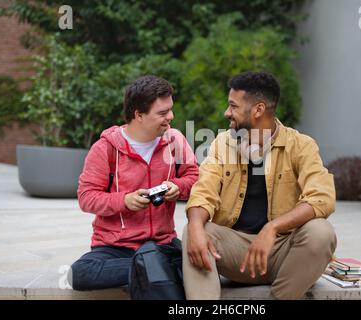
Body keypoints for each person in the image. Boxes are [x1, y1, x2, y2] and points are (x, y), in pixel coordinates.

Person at [183, 71, 337, 300]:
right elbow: (203, 191)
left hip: (282, 253)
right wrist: (195, 226)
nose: (227, 113)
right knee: (194, 230)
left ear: (258, 110)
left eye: (233, 106)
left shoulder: (301, 145)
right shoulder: (222, 144)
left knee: (321, 232)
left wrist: (271, 228)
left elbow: (322, 198)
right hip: (235, 253)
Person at [70, 75, 198, 297]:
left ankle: (152, 265)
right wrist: (124, 200)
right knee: (80, 273)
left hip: (162, 243)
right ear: (138, 114)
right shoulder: (105, 148)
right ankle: (154, 266)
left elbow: (194, 176)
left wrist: (178, 186)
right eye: (162, 113)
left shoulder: (175, 140)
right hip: (115, 248)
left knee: (201, 264)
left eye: (170, 110)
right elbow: (86, 197)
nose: (171, 117)